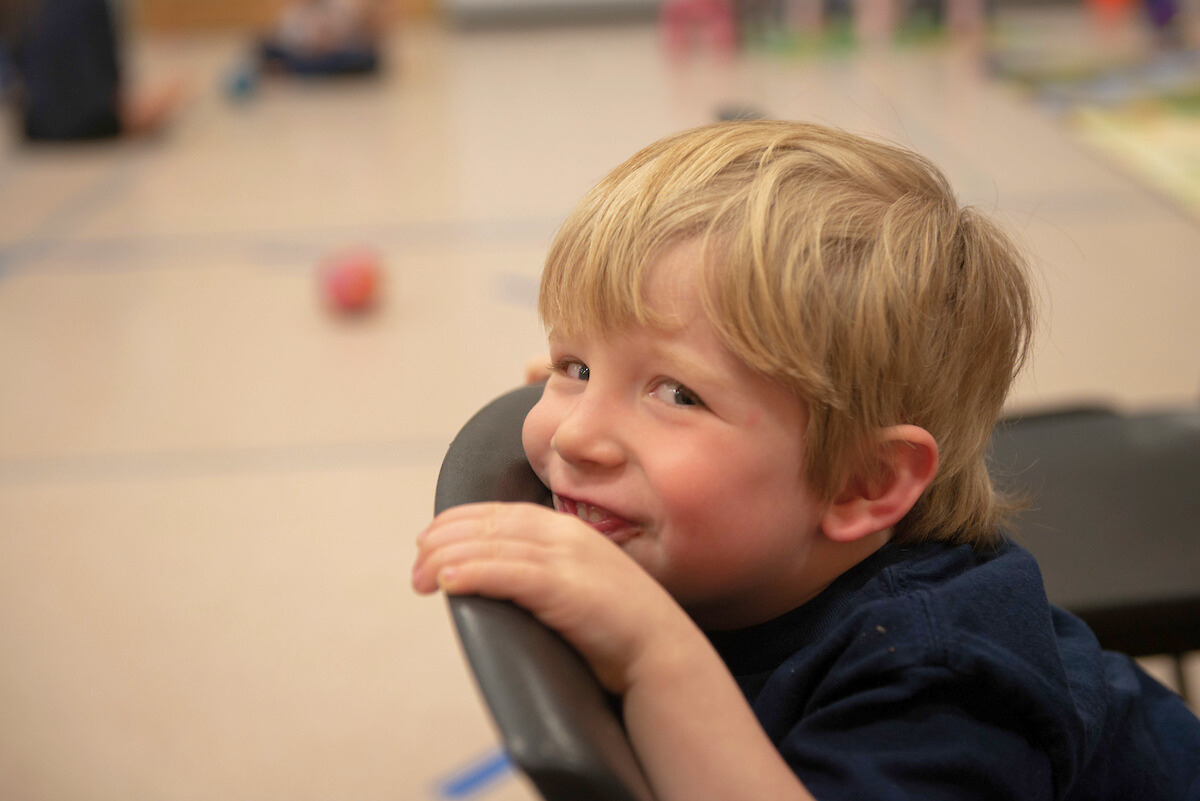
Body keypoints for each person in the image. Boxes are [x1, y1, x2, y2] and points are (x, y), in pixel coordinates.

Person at [412, 120, 1200, 801]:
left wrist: (659, 655)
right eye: (574, 367)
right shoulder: (727, 541)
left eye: (679, 394)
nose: (579, 436)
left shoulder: (939, 684)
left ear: (864, 481)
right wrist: (617, 389)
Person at [0, 0, 184, 141]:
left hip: (34, 128)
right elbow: (110, 81)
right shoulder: (92, 5)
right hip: (94, 124)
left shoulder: (29, 8)